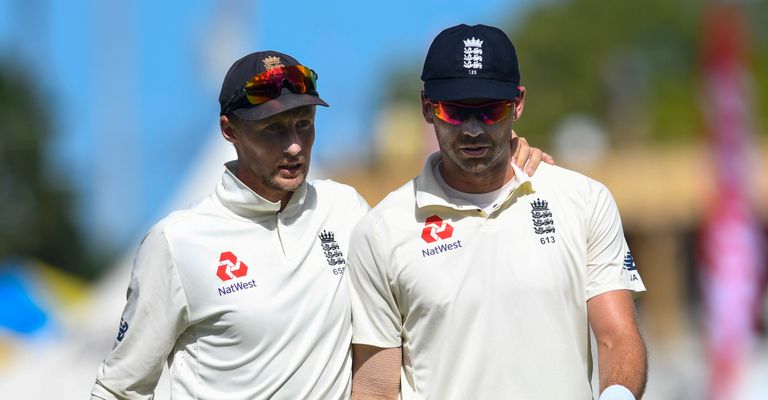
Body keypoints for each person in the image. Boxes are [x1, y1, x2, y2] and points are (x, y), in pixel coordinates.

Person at [90, 50, 551, 399]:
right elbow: (118, 389)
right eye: (273, 129)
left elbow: (435, 257)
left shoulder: (344, 208)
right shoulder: (177, 242)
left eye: (304, 125)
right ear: (229, 131)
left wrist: (504, 168)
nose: (294, 146)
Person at [347, 24, 648, 400]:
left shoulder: (584, 200)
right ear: (427, 107)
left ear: (518, 104)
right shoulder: (382, 230)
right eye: (455, 111)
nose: (473, 130)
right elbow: (376, 389)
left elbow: (617, 337)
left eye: (490, 111)